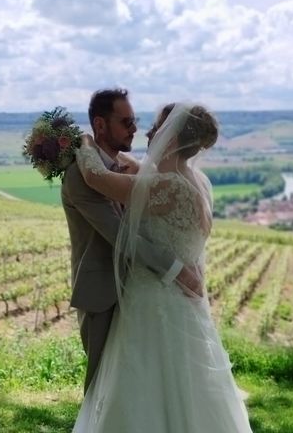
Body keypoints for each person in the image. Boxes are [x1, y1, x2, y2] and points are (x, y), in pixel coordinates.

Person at [71, 102, 253, 432]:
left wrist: (84, 143)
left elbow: (96, 178)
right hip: (185, 305)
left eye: (157, 126)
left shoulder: (164, 186)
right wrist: (125, 159)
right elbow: (142, 171)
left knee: (143, 386)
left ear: (172, 138)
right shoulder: (196, 181)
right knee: (188, 389)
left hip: (150, 304)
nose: (151, 131)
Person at [61, 89, 202, 393]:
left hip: (140, 292)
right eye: (126, 122)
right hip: (103, 292)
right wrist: (179, 270)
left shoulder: (129, 168)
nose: (135, 129)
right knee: (103, 387)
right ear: (99, 126)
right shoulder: (79, 175)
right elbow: (123, 237)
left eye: (135, 121)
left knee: (145, 385)